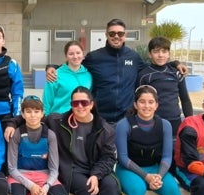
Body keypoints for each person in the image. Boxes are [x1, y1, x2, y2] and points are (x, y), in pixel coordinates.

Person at [7, 86, 119, 195]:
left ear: (91, 104)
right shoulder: (58, 121)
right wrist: (11, 124)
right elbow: (31, 116)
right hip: (73, 170)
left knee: (110, 186)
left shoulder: (104, 128)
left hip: (96, 170)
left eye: (84, 102)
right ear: (71, 104)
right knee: (86, 189)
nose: (80, 106)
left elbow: (109, 157)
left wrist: (96, 174)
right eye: (76, 103)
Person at [46, 19, 186, 125]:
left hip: (126, 118)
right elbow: (74, 64)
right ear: (106, 34)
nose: (116, 36)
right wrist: (52, 67)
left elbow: (155, 65)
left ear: (125, 35)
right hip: (99, 117)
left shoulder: (134, 57)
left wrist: (174, 63)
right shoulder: (95, 57)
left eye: (120, 33)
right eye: (112, 33)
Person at [1, 95, 72, 195]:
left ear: (42, 114)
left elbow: (54, 169)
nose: (32, 115)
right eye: (28, 111)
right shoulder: (17, 134)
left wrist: (46, 186)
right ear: (23, 114)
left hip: (44, 176)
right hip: (20, 175)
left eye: (36, 111)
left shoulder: (50, 135)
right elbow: (12, 168)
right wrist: (31, 186)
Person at [137, 37, 193, 134]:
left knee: (173, 148)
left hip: (175, 121)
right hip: (152, 122)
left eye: (164, 51)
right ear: (149, 54)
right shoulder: (144, 75)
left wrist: (191, 122)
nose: (160, 55)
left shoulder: (177, 72)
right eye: (156, 52)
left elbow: (185, 100)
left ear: (169, 54)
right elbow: (138, 102)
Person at [42, 40, 92, 115]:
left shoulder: (88, 75)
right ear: (66, 56)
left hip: (81, 119)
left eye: (78, 53)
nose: (75, 57)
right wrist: (45, 120)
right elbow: (46, 102)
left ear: (83, 54)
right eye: (71, 54)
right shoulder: (54, 75)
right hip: (59, 120)